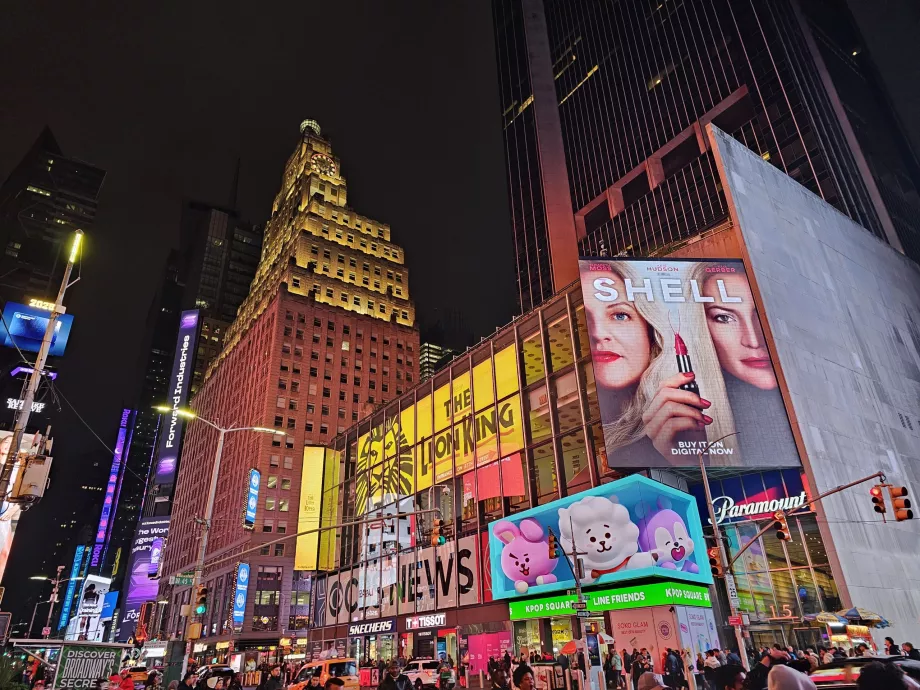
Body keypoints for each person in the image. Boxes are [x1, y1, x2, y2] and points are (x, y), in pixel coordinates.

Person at [581, 262, 735, 466]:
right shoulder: (596, 459)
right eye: (585, 321)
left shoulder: (687, 410)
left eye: (620, 315)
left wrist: (686, 458)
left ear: (651, 333)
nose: (599, 334)